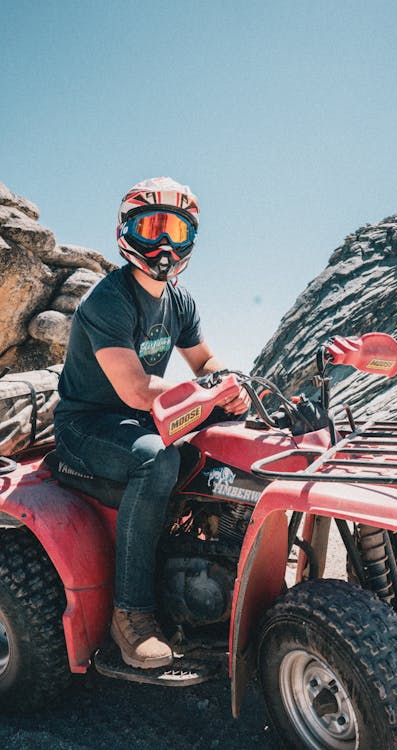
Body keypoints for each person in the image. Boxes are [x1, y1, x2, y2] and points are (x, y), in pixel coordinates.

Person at [54, 176, 249, 670]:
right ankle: (131, 617)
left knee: (221, 457)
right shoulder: (107, 301)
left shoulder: (180, 302)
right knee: (156, 462)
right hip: (86, 424)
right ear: (128, 232)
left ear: (190, 241)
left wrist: (227, 384)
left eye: (175, 232)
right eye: (152, 227)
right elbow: (137, 389)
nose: (163, 244)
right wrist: (207, 392)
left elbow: (204, 362)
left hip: (139, 418)